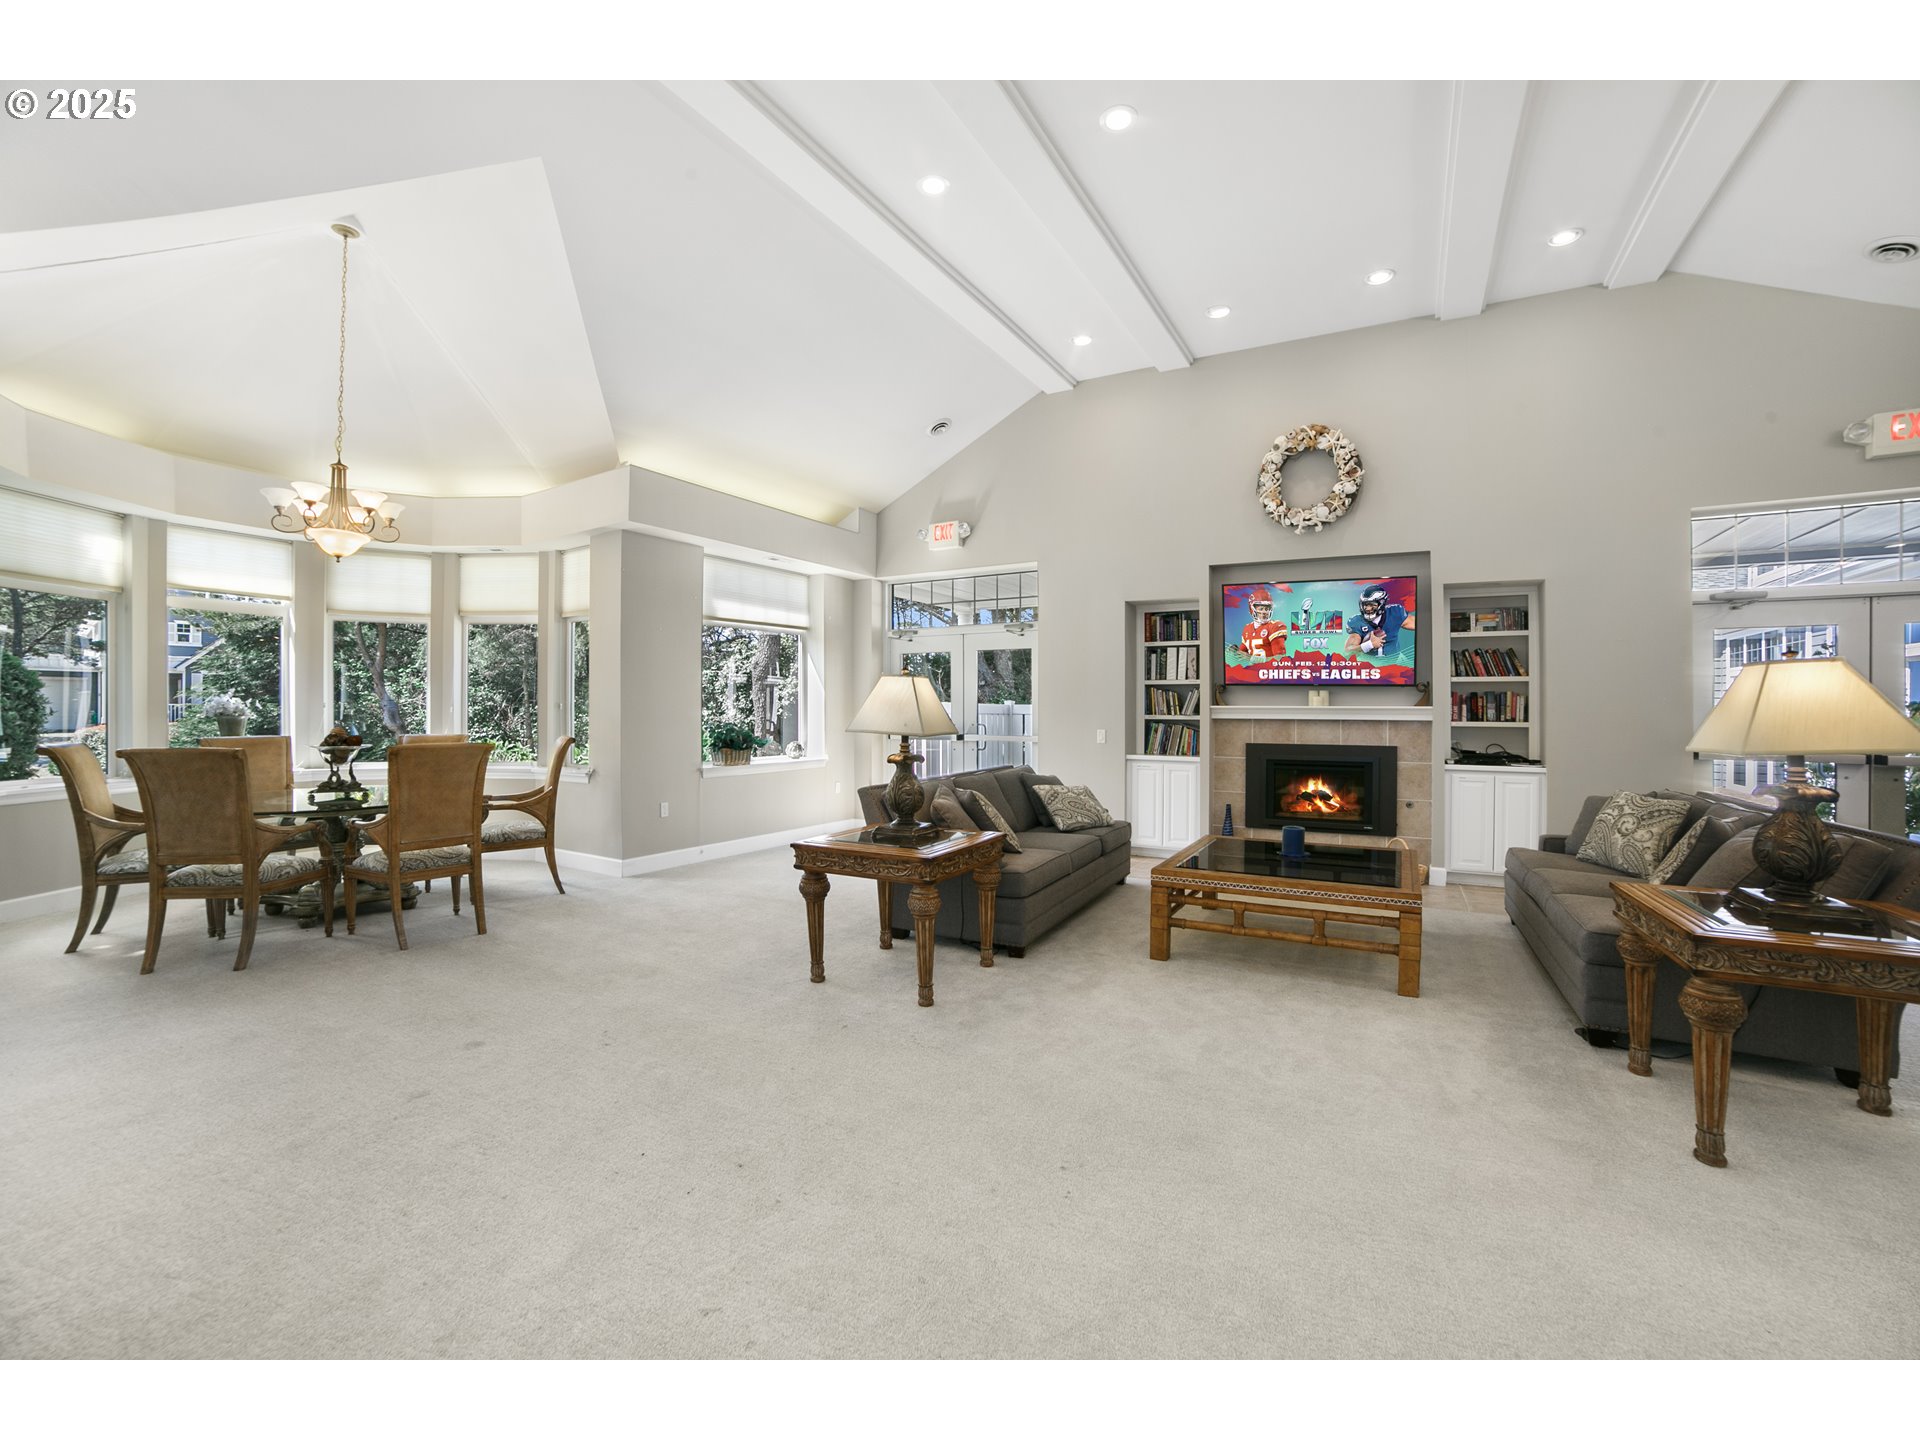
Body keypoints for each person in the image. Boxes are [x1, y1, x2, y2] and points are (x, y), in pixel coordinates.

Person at [1345, 584, 1415, 657]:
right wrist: (1369, 645)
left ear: (1381, 604)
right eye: (1365, 605)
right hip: (1371, 666)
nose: (1368, 609)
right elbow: (1347, 652)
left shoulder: (1394, 613)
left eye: (1372, 605)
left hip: (1396, 662)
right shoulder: (1357, 622)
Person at [1239, 588, 1287, 660]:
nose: (1264, 612)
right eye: (1261, 609)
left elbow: (1280, 659)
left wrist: (1257, 660)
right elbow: (1243, 654)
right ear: (1252, 609)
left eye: (1267, 609)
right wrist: (1235, 651)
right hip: (1252, 670)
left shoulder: (1275, 626)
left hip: (1269, 670)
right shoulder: (1247, 628)